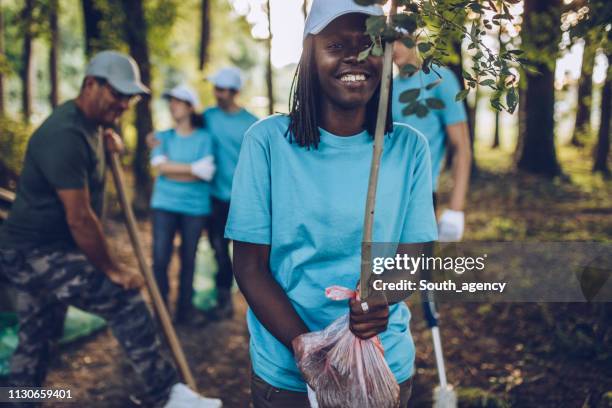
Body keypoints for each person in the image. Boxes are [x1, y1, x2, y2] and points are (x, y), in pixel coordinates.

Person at [224, 1, 438, 406]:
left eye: (370, 44)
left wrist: (383, 295)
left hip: (383, 367)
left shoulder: (409, 148)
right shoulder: (267, 143)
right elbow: (249, 266)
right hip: (288, 374)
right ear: (310, 56)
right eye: (336, 46)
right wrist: (304, 346)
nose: (355, 58)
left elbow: (415, 257)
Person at [0, 51, 221, 408]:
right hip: (33, 251)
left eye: (129, 97)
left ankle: (18, 400)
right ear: (90, 84)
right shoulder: (64, 134)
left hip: (46, 247)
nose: (124, 104)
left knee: (36, 340)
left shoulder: (91, 125)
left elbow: (96, 135)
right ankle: (168, 395)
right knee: (124, 298)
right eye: (117, 94)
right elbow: (80, 219)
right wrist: (113, 269)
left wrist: (108, 136)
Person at [392, 37, 472, 240]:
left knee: (418, 269)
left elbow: (461, 147)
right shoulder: (388, 89)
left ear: (415, 39)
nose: (393, 48)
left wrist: (456, 210)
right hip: (389, 196)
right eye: (387, 42)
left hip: (423, 195)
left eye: (400, 40)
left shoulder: (439, 79)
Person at [150, 84, 216, 325]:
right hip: (163, 205)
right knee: (159, 260)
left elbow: (206, 172)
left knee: (189, 260)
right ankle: (160, 313)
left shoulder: (204, 138)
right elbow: (160, 166)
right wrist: (192, 169)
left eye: (178, 101)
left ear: (190, 107)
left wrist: (171, 169)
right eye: (171, 101)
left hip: (195, 208)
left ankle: (184, 312)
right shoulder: (162, 136)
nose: (172, 106)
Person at [203, 67, 258, 320]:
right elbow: (183, 130)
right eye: (216, 88)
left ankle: (258, 303)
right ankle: (224, 299)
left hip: (244, 200)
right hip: (214, 197)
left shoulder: (251, 123)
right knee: (218, 249)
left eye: (222, 89)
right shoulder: (207, 117)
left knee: (247, 255)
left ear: (234, 92)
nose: (217, 94)